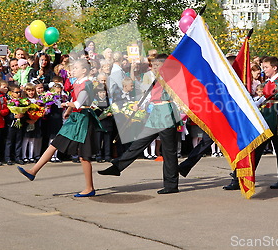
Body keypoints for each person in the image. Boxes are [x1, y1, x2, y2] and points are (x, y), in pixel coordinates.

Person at [18, 59, 104, 197]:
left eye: (76, 68)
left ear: (84, 70)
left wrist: (65, 105)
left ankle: (89, 188)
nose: (73, 70)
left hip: (83, 121)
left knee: (84, 156)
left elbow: (78, 103)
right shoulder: (77, 83)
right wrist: (68, 111)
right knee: (54, 144)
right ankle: (33, 171)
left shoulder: (86, 84)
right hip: (75, 119)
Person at [98, 54, 182, 195]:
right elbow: (150, 96)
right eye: (153, 65)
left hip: (166, 114)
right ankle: (117, 166)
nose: (154, 68)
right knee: (138, 143)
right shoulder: (156, 79)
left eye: (157, 65)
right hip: (155, 114)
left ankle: (171, 184)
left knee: (169, 152)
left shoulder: (170, 77)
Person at [223, 56, 278, 190]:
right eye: (263, 67)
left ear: (274, 68)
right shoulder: (266, 83)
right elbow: (262, 98)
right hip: (266, 117)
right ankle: (242, 177)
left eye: (266, 67)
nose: (263, 70)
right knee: (256, 148)